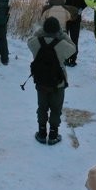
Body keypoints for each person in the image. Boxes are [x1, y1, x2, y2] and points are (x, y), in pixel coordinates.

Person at [28, 17, 75, 145]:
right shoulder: (62, 45)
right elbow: (73, 48)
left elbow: (29, 40)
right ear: (57, 30)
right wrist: (63, 34)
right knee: (56, 108)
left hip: (41, 82)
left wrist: (40, 32)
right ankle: (53, 134)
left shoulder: (35, 43)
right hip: (58, 83)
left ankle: (42, 133)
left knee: (42, 108)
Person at [50, 0, 86, 66]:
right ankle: (73, 59)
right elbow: (84, 3)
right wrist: (79, 10)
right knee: (74, 39)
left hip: (64, 18)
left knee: (64, 38)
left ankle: (65, 57)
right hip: (76, 18)